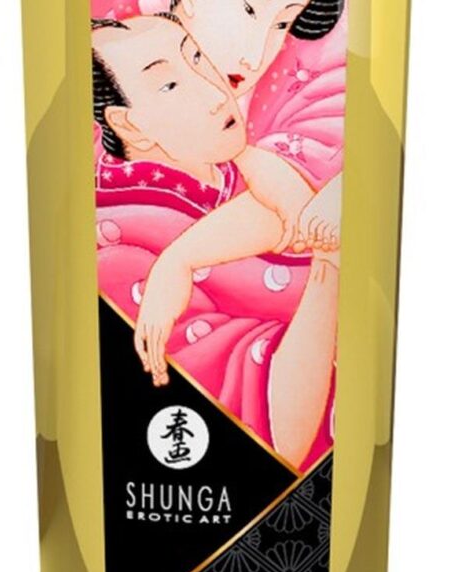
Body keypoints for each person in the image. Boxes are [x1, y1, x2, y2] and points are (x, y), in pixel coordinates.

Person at [93, 14, 341, 470]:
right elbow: (279, 437)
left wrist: (182, 257)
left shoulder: (236, 168)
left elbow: (296, 212)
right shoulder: (119, 253)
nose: (214, 93)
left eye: (198, 59)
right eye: (169, 85)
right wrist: (329, 262)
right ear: (128, 124)